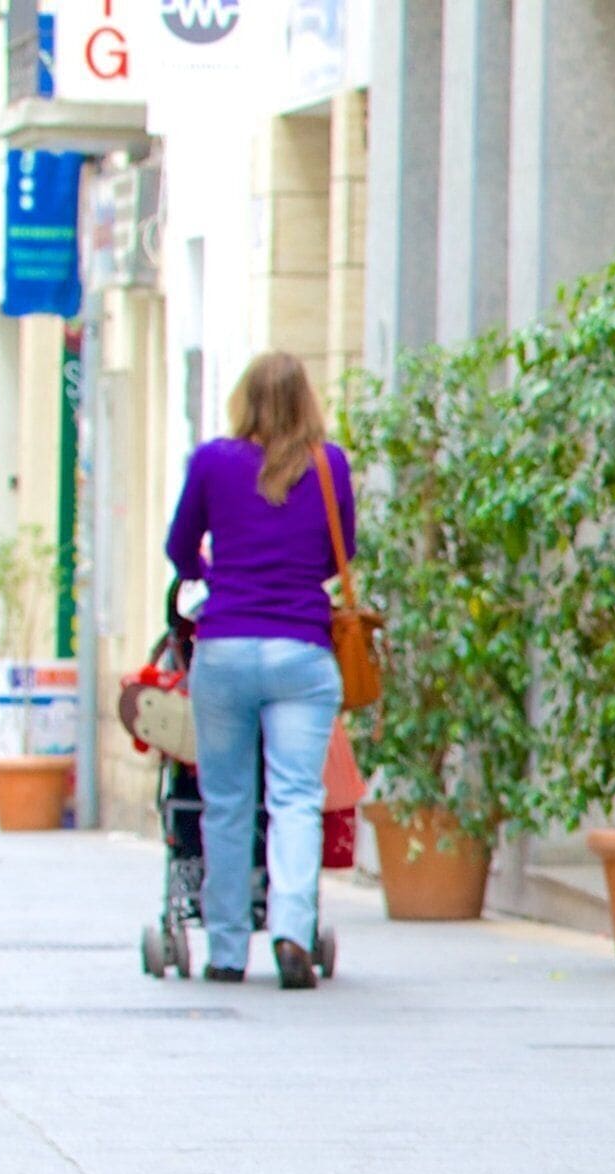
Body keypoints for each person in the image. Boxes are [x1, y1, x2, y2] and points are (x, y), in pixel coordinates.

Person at [166, 352, 351, 988]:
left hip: (226, 647)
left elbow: (179, 547)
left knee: (226, 802)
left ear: (244, 399)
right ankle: (292, 931)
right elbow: (341, 554)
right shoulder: (329, 465)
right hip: (301, 651)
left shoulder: (212, 461)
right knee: (296, 798)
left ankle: (225, 949)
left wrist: (215, 574)